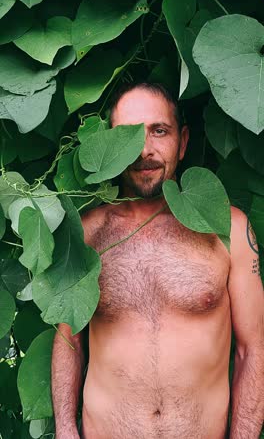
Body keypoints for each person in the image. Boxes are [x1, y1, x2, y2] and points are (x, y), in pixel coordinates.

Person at [51, 82, 264, 439]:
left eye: (158, 131)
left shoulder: (229, 229)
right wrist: (64, 430)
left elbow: (253, 348)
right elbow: (68, 340)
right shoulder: (87, 235)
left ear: (182, 142)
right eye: (128, 136)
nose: (144, 150)